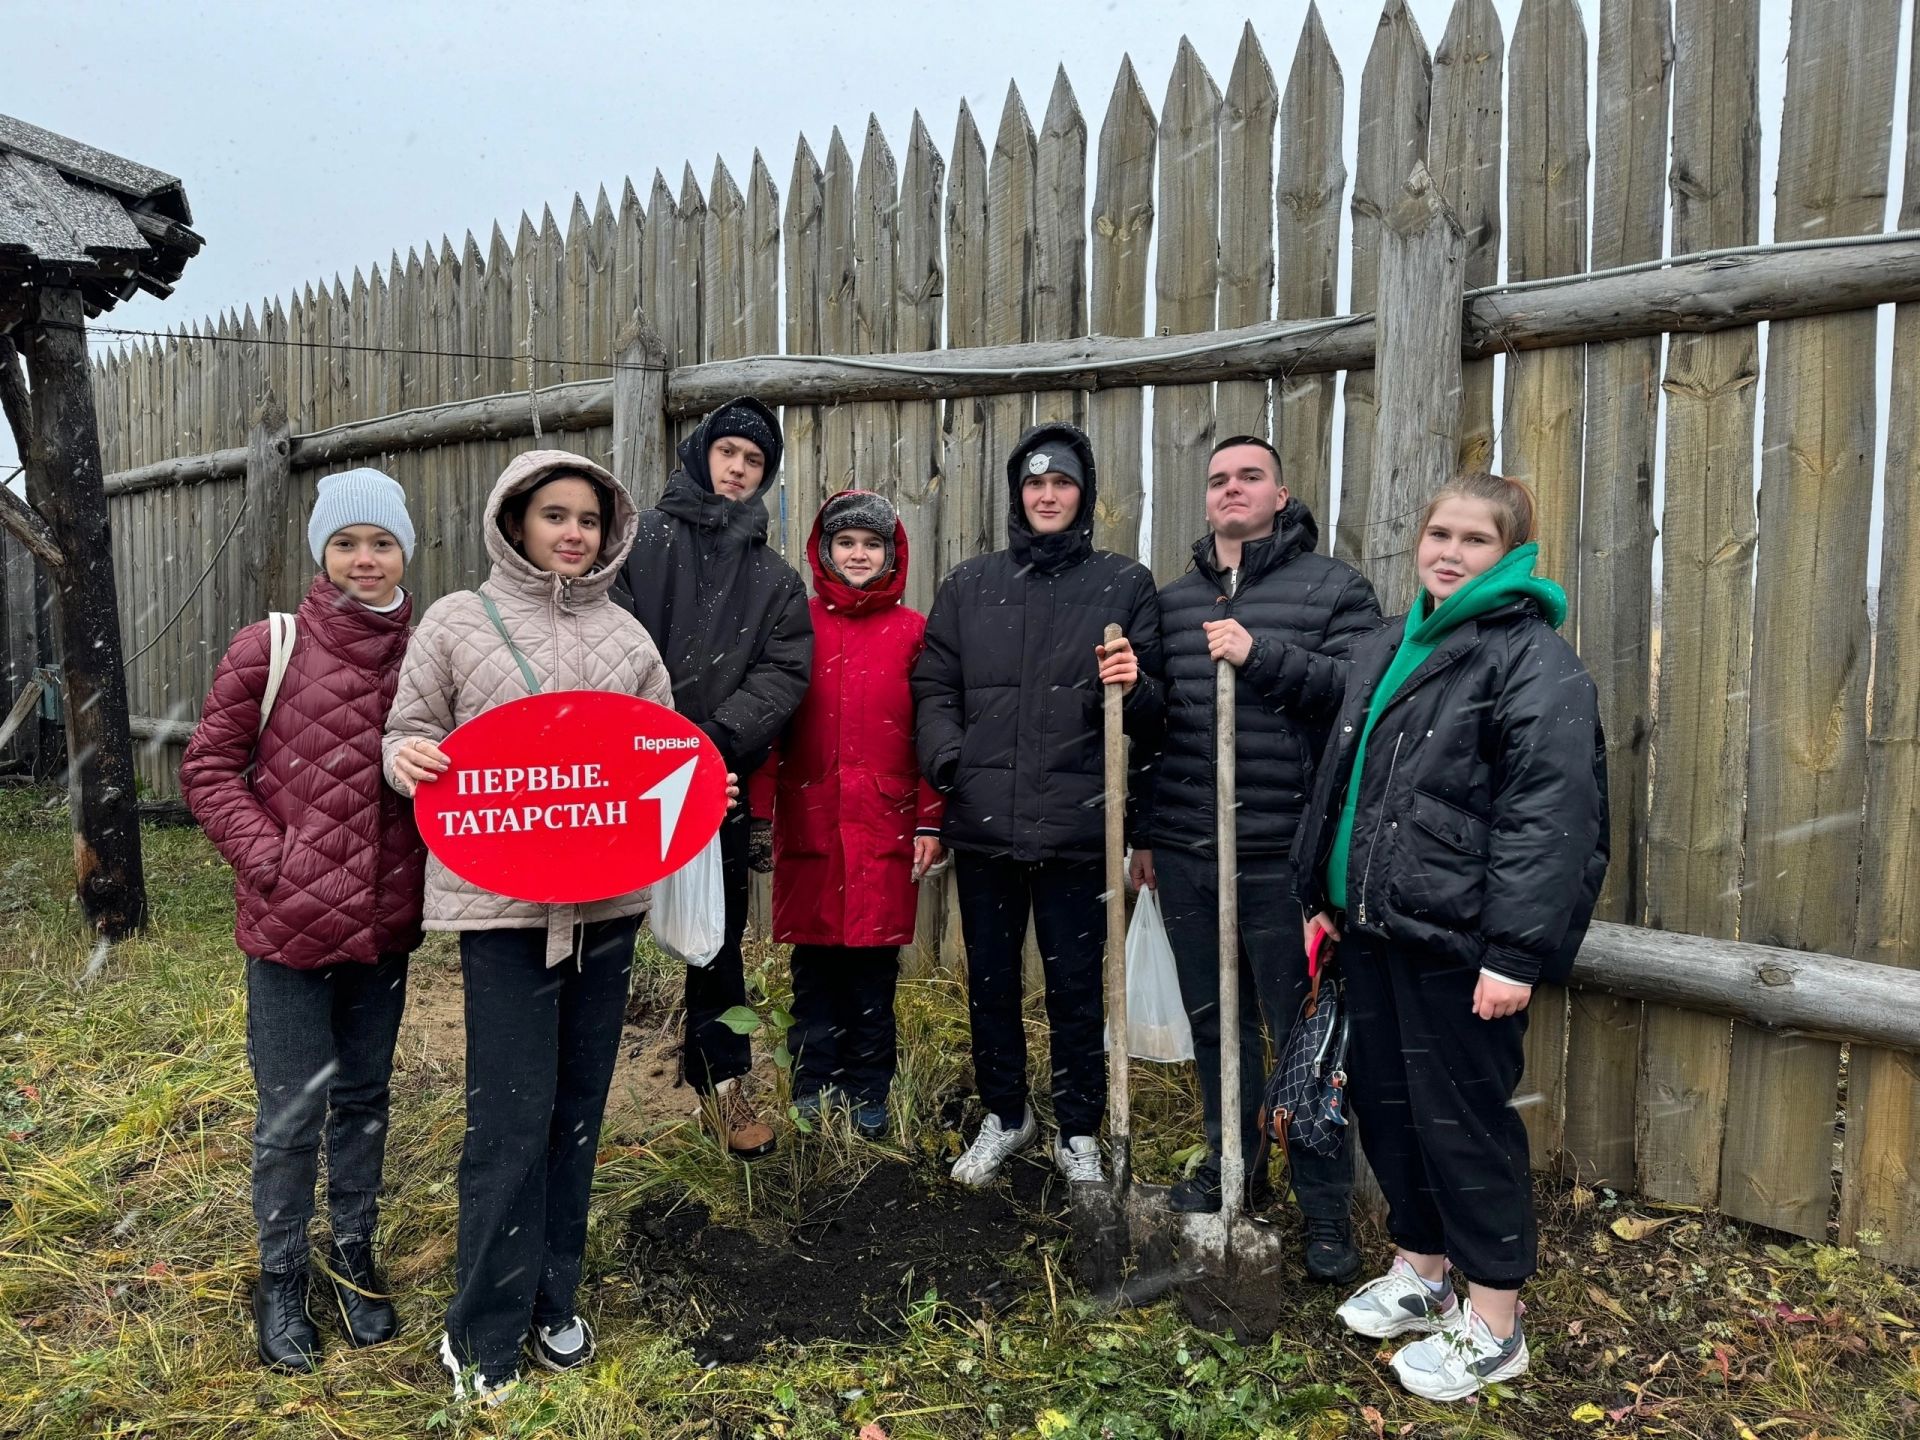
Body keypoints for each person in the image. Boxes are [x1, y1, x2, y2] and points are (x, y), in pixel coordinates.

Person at [1291, 471, 1608, 1401]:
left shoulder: (1530, 661)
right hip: (1376, 931)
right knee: (1388, 1112)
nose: (1449, 552)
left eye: (1474, 540)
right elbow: (1345, 783)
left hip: (1462, 949)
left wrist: (1514, 953)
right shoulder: (1393, 642)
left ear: (1510, 556)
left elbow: (1550, 819)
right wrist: (1323, 890)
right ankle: (1424, 1275)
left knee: (1462, 1125)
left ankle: (1496, 1321)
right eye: (1439, 533)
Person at [383, 450, 678, 1404]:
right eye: (555, 515)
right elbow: (405, 732)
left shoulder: (628, 638)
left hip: (605, 913)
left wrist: (696, 792)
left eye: (588, 519)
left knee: (577, 1116)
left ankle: (555, 1295)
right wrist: (411, 760)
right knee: (508, 1120)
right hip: (502, 913)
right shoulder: (456, 623)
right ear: (517, 523)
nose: (573, 533)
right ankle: (482, 1331)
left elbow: (662, 758)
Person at [181, 468, 425, 1373]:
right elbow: (209, 770)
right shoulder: (269, 647)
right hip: (287, 934)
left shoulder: (429, 652)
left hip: (384, 927)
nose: (365, 560)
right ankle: (280, 1276)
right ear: (322, 553)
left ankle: (352, 1254)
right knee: (291, 1114)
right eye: (346, 543)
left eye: (383, 542)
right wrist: (272, 860)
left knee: (364, 1101)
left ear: (407, 549)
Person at [1129, 435, 1380, 1282]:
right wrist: (1134, 688)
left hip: (1286, 856)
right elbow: (1160, 731)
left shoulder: (1334, 588)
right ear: (1205, 501)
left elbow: (1358, 695)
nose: (1232, 489)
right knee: (1216, 1023)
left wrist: (1259, 653)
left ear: (1280, 493)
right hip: (1192, 850)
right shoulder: (1173, 602)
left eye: (1250, 477)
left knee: (1308, 1037)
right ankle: (1230, 1162)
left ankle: (1323, 1212)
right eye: (1217, 480)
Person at [914, 421, 1163, 1187]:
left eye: (1062, 483)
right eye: (1034, 483)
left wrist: (1133, 686)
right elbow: (933, 687)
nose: (1047, 495)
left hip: (1079, 826)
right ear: (1018, 496)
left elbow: (1155, 715)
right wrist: (952, 762)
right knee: (988, 977)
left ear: (1082, 496)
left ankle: (1079, 1127)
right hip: (985, 824)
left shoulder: (1123, 584)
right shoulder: (968, 584)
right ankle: (1006, 1112)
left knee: (1076, 986)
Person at [616, 397, 812, 1161]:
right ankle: (577, 1097)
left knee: (716, 943)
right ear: (703, 454)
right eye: (729, 451)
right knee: (602, 934)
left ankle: (723, 1087)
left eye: (754, 461)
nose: (738, 468)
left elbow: (783, 673)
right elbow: (612, 637)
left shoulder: (775, 580)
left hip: (717, 779)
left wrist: (712, 743)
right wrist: (652, 739)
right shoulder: (639, 544)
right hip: (623, 775)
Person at [754, 490, 944, 1139]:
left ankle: (868, 1091)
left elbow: (935, 732)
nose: (858, 554)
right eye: (846, 543)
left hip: (884, 828)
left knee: (870, 977)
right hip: (810, 824)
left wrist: (930, 819)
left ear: (891, 555)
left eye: (871, 544)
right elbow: (770, 724)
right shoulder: (797, 626)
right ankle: (813, 1085)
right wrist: (757, 812)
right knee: (814, 972)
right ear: (824, 550)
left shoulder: (913, 633)